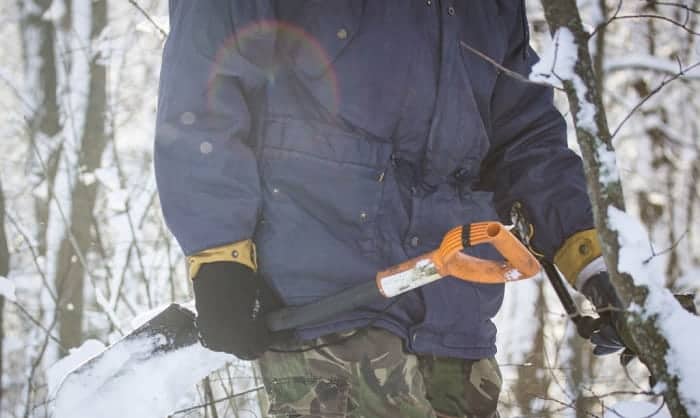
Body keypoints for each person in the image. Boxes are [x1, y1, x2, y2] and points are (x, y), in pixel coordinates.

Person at [154, 1, 624, 417]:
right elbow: (204, 82)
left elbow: (525, 137)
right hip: (330, 306)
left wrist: (594, 264)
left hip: (456, 318)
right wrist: (219, 255)